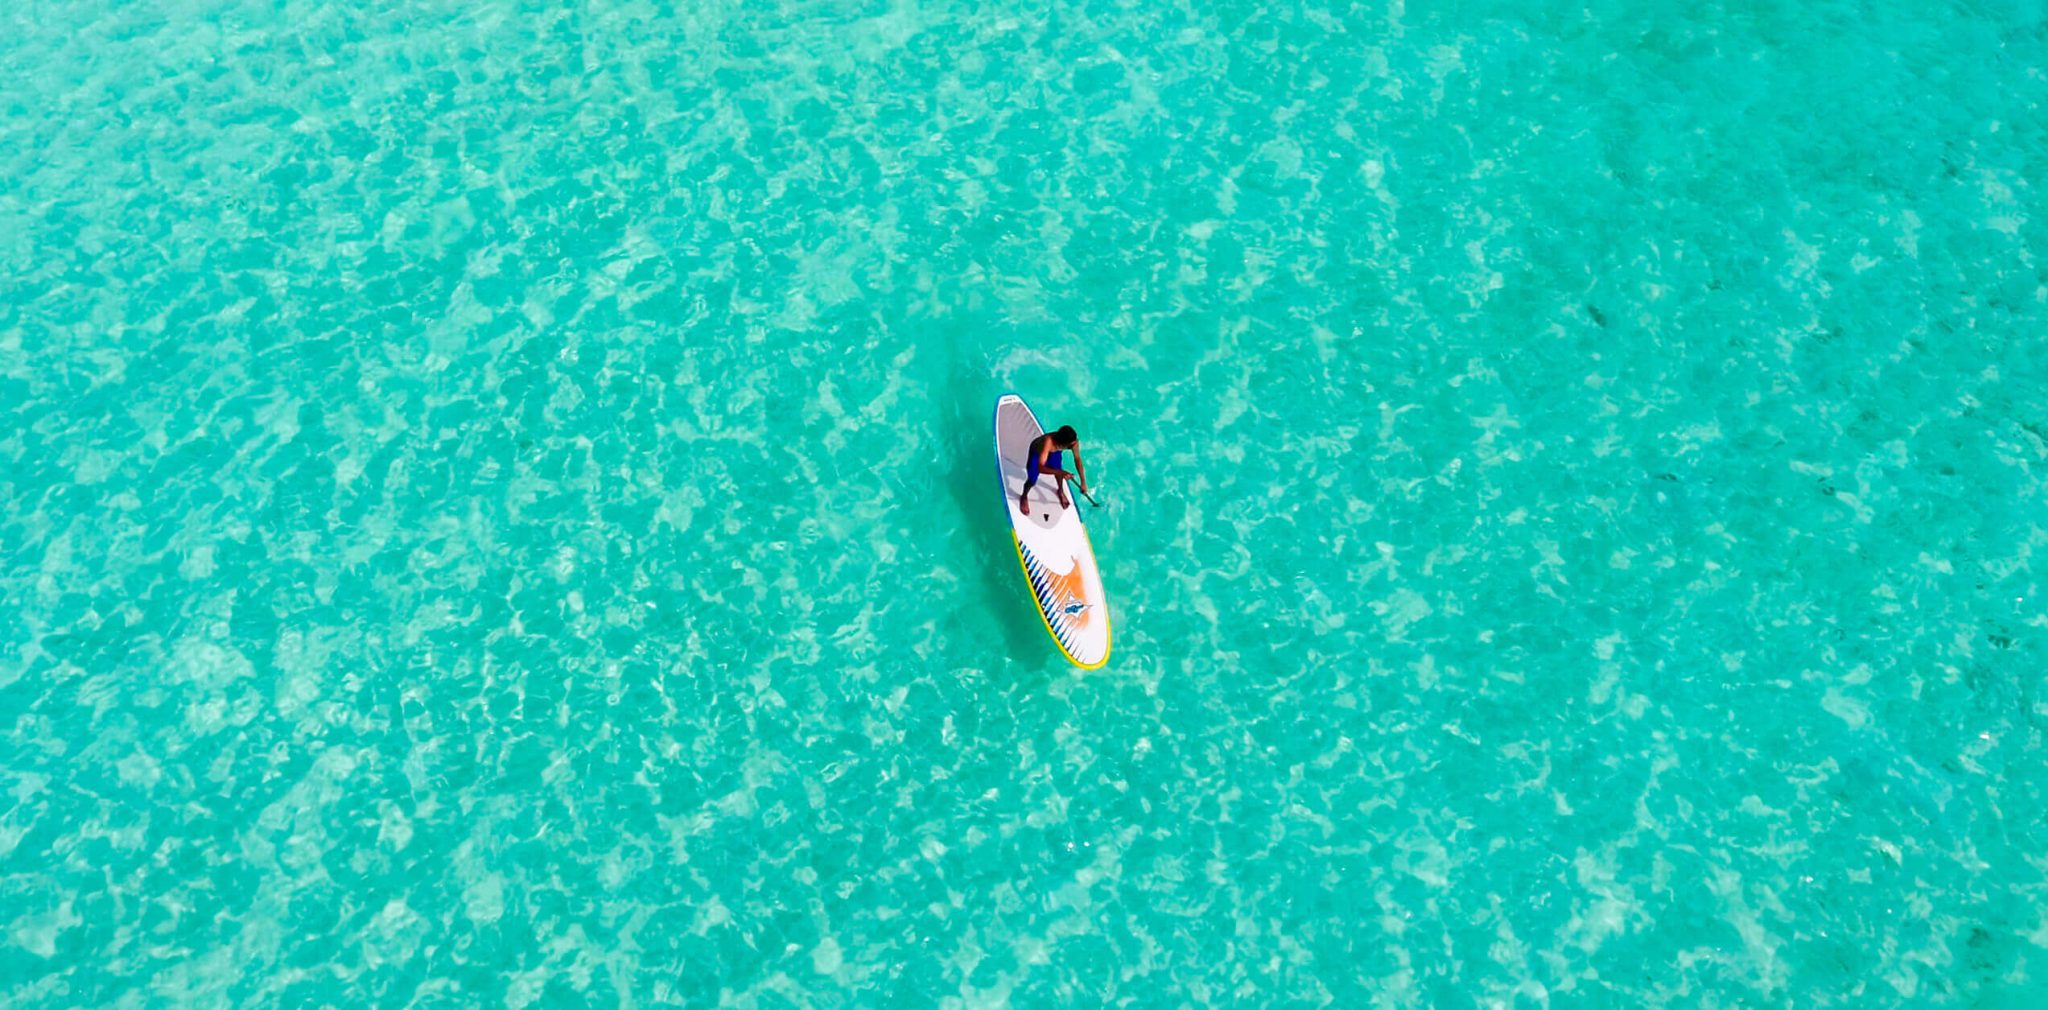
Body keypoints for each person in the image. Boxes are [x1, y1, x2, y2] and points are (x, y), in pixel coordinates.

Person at [1019, 425, 1088, 514]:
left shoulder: (1073, 442)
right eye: (1071, 445)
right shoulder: (1048, 442)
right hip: (1037, 452)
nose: (1074, 445)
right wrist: (1060, 472)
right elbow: (1040, 468)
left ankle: (1060, 490)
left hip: (1055, 451)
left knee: (1058, 469)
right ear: (1064, 444)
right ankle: (1024, 496)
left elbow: (1077, 459)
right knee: (1032, 479)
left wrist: (1083, 481)